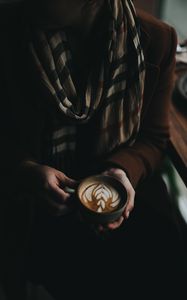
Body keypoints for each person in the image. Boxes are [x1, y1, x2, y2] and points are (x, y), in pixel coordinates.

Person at [0, 0, 186, 299]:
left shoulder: (156, 40)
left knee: (163, 252)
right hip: (41, 198)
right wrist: (26, 170)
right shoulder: (11, 28)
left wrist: (123, 171)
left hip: (121, 186)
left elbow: (153, 138)